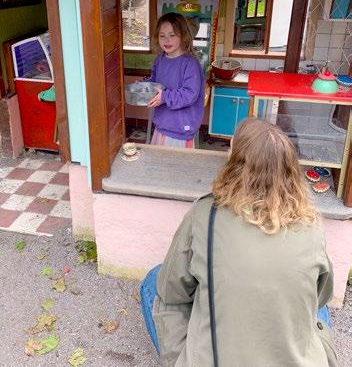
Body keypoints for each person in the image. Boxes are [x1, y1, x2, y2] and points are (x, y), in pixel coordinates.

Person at [140, 118, 337, 366]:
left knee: (154, 280)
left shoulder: (206, 214)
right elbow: (322, 295)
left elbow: (171, 290)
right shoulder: (311, 223)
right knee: (315, 305)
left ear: (235, 164)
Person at [147, 12, 205, 148]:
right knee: (159, 160)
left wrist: (164, 97)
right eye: (162, 36)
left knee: (176, 162)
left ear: (183, 36)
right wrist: (144, 86)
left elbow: (190, 94)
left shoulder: (190, 63)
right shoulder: (160, 60)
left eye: (172, 35)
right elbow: (154, 82)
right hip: (162, 125)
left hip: (180, 130)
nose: (166, 40)